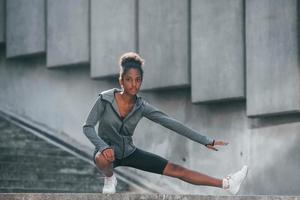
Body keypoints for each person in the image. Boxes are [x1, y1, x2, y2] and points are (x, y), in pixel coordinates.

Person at [83, 52, 248, 195]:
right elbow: (88, 127)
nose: (133, 85)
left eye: (137, 80)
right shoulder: (105, 100)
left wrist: (205, 140)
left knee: (177, 170)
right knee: (102, 159)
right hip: (106, 154)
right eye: (129, 80)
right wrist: (103, 146)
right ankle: (110, 179)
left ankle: (227, 184)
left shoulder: (142, 107)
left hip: (129, 153)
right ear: (121, 81)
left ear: (141, 81)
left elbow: (172, 123)